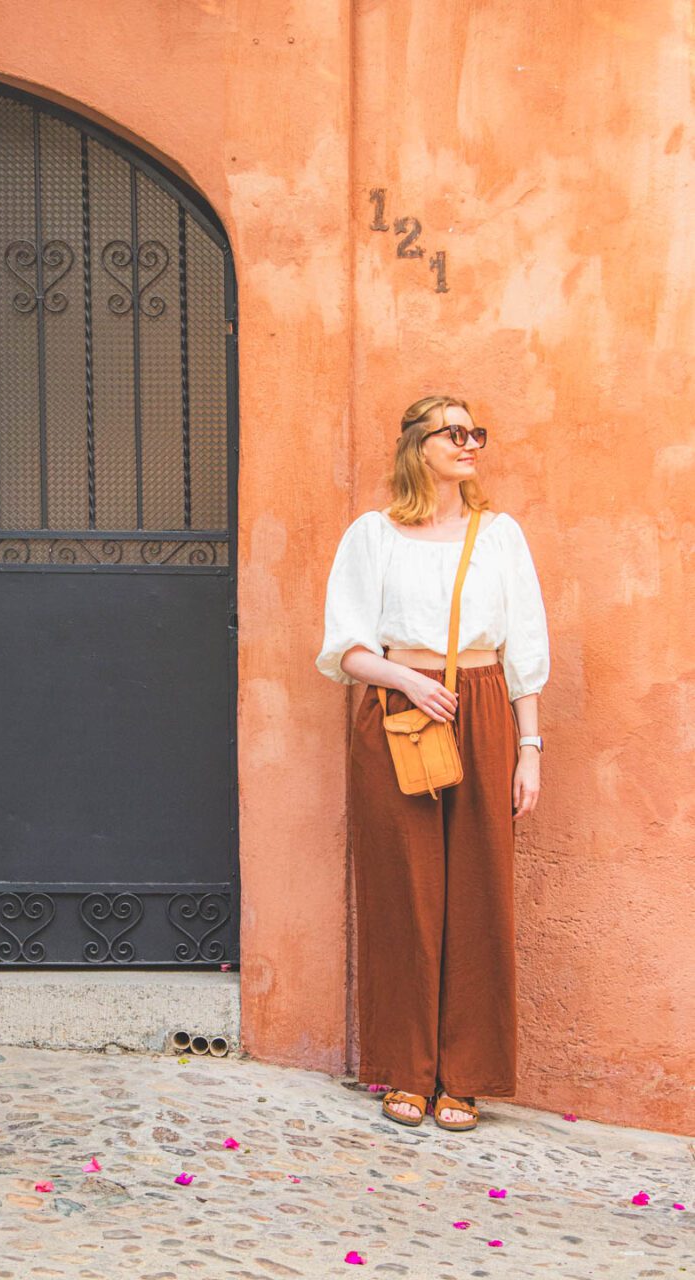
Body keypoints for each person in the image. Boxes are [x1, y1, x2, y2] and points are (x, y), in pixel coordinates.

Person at [315, 394, 550, 1132]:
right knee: (400, 893)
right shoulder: (372, 535)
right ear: (417, 446)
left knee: (478, 894)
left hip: (480, 707)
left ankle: (466, 1076)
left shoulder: (499, 534)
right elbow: (343, 646)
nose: (469, 443)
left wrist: (528, 749)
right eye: (453, 432)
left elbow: (525, 649)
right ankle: (403, 1069)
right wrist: (407, 679)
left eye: (475, 431)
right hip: (398, 715)